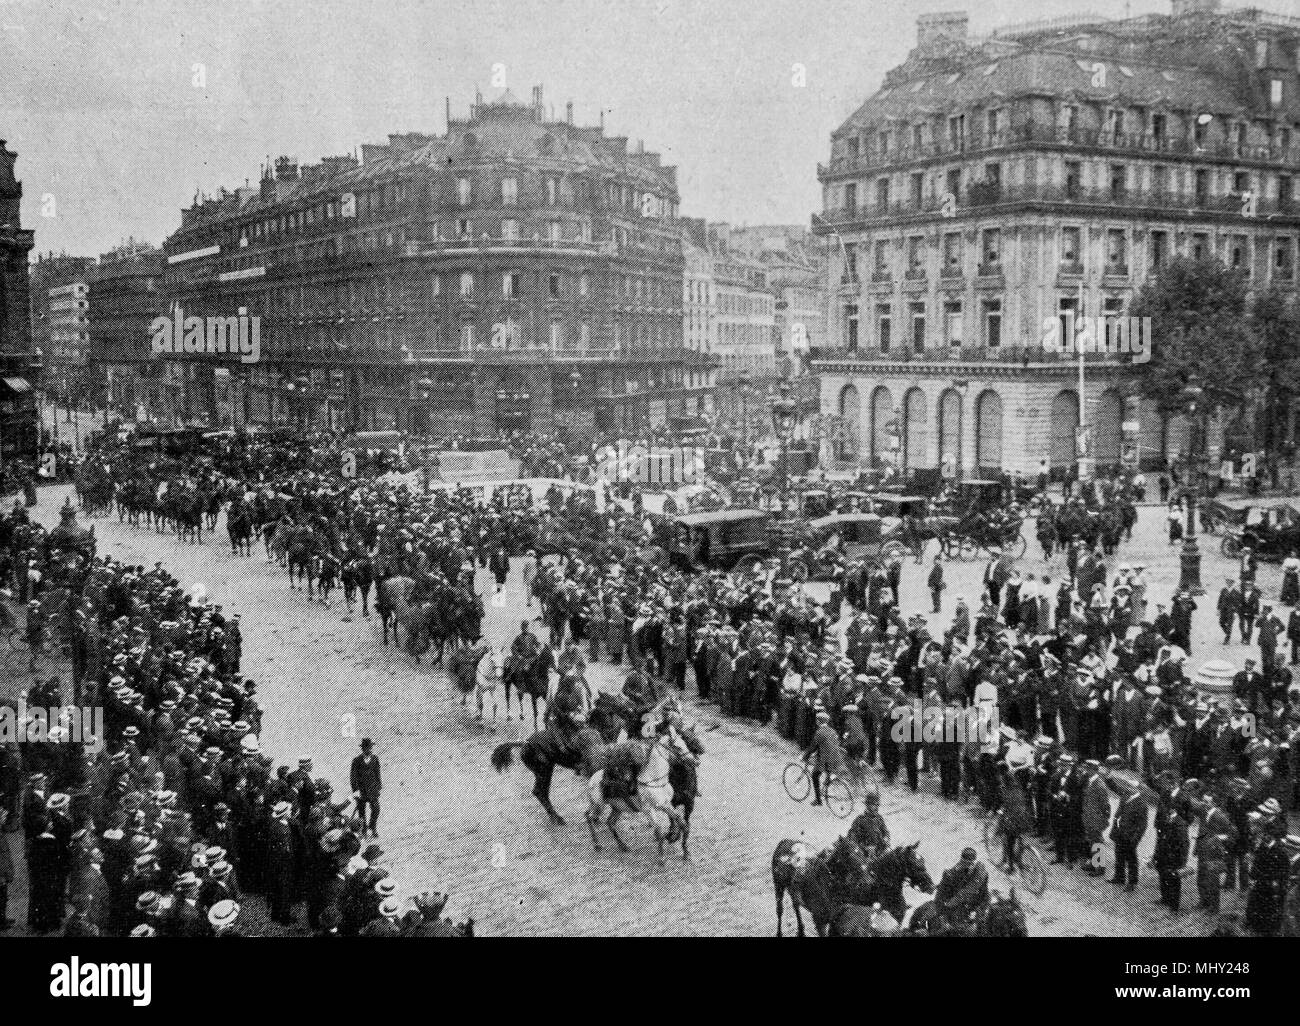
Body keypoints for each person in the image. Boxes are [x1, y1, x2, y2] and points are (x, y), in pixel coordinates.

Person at [1109, 782, 1147, 892]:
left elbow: (1142, 825)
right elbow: (1114, 786)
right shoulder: (1126, 797)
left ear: (1137, 790)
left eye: (1131, 787)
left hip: (1130, 836)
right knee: (1119, 855)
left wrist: (1135, 839)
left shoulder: (1141, 804)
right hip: (1120, 832)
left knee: (1131, 859)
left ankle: (1132, 882)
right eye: (1127, 787)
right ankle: (1119, 877)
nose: (1127, 789)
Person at [934, 848, 989, 924]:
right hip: (960, 907)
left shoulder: (980, 873)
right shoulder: (956, 871)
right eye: (964, 862)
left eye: (970, 863)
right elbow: (940, 898)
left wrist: (951, 902)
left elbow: (977, 892)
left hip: (977, 907)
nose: (968, 865)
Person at [801, 709, 843, 807]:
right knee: (828, 772)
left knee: (815, 775)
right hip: (836, 757)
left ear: (818, 721)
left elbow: (813, 747)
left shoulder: (819, 732)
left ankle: (818, 800)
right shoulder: (832, 731)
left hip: (825, 760)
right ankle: (828, 783)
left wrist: (804, 756)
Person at [350, 739, 382, 839]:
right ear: (362, 749)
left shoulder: (375, 759)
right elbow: (353, 777)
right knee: (361, 812)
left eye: (369, 748)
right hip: (361, 790)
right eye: (366, 748)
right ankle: (363, 831)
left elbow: (377, 773)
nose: (368, 750)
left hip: (372, 790)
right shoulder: (356, 760)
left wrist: (379, 786)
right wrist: (356, 790)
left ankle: (372, 827)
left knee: (376, 809)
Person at [846, 791, 889, 860]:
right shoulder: (860, 819)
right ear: (867, 805)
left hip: (879, 852)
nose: (874, 807)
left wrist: (886, 839)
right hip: (864, 854)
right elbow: (852, 836)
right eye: (872, 804)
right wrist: (864, 848)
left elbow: (885, 831)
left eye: (875, 805)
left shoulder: (879, 818)